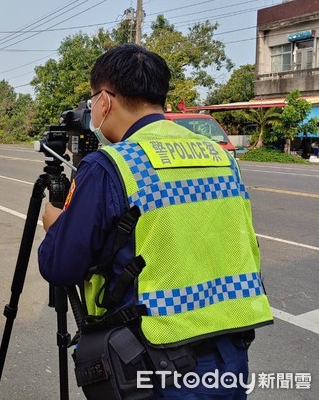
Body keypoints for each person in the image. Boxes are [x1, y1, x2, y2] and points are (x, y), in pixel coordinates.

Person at [38, 44, 273, 398]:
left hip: (156, 361)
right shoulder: (219, 156)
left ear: (104, 100)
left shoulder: (114, 165)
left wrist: (56, 225)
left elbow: (61, 266)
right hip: (230, 352)